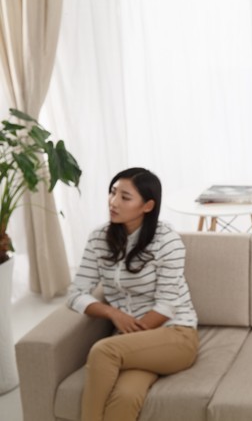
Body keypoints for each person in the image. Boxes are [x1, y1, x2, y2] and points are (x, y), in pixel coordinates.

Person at [67, 167, 199, 421]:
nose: (113, 202)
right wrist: (112, 313)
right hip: (131, 341)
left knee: (103, 351)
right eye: (113, 192)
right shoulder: (98, 239)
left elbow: (166, 306)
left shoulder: (167, 240)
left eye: (125, 197)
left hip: (175, 335)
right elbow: (76, 293)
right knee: (125, 396)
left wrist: (130, 337)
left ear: (147, 206)